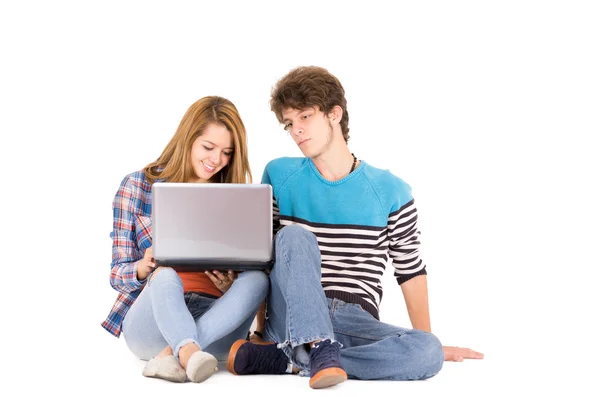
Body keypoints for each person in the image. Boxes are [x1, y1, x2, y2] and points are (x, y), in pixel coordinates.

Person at [226, 67, 484, 389]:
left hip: (353, 319)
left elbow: (410, 270)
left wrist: (421, 337)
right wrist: (261, 332)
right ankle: (311, 347)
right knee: (292, 236)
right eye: (290, 123)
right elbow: (262, 258)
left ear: (334, 114)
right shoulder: (279, 175)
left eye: (305, 117)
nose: (296, 131)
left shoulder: (390, 190)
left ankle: (294, 358)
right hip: (291, 310)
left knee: (428, 351)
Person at [101, 96, 269, 383]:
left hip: (217, 325)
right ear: (187, 139)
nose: (216, 159)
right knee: (165, 275)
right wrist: (144, 267)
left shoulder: (237, 198)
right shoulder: (137, 186)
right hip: (153, 323)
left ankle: (175, 354)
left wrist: (231, 285)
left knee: (258, 280)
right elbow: (117, 275)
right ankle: (187, 351)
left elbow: (247, 280)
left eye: (227, 152)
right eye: (208, 147)